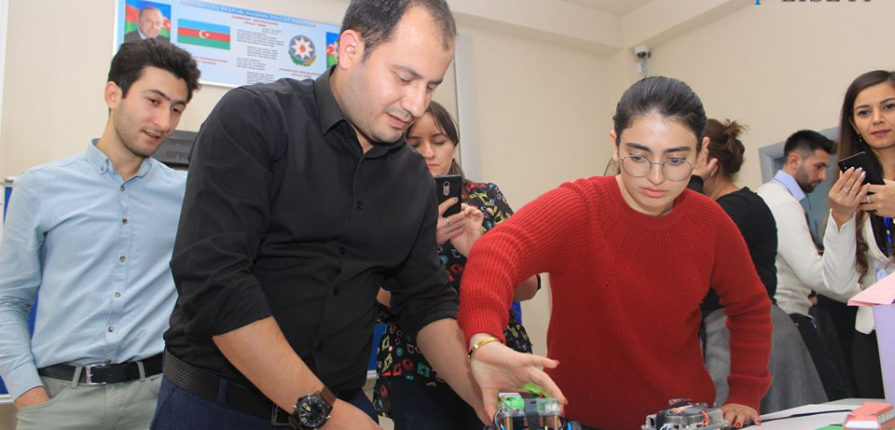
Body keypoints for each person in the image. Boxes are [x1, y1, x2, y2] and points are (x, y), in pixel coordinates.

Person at [152, 1, 485, 429]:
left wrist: (483, 392)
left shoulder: (412, 179)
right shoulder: (254, 119)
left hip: (341, 403)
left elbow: (424, 298)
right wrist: (324, 413)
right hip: (218, 409)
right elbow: (216, 283)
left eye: (431, 87)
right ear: (350, 50)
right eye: (404, 78)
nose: (417, 105)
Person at [457, 76, 773, 430]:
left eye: (676, 160)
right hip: (583, 418)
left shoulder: (711, 222)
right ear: (615, 144)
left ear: (701, 153)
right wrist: (483, 338)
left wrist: (745, 392)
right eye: (637, 157)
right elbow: (496, 251)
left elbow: (750, 306)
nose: (656, 177)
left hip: (683, 418)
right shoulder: (579, 207)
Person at [0, 38, 200, 430]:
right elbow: (8, 300)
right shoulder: (39, 187)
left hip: (154, 400)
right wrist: (28, 392)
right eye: (153, 101)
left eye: (176, 109)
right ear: (113, 94)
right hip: (60, 402)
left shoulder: (187, 195)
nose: (164, 122)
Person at [373, 101, 539, 429]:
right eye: (413, 143)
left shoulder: (486, 198)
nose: (428, 153)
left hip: (496, 350)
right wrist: (424, 242)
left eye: (439, 141)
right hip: (416, 366)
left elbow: (528, 287)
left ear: (454, 145)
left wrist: (479, 250)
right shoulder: (382, 206)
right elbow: (379, 296)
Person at [691, 119, 827, 412]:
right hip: (726, 334)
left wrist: (693, 182)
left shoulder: (740, 208)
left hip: (752, 335)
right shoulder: (726, 206)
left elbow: (689, 241)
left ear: (708, 164)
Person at [755, 130, 853, 400]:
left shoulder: (768, 196)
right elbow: (813, 273)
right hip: (791, 317)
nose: (822, 176)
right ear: (794, 161)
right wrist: (865, 295)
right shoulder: (782, 202)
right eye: (818, 166)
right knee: (833, 398)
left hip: (785, 314)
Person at [824, 69, 895, 399]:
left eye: (889, 106)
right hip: (874, 335)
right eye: (864, 112)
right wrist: (840, 217)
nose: (877, 119)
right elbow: (839, 285)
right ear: (853, 124)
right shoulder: (851, 186)